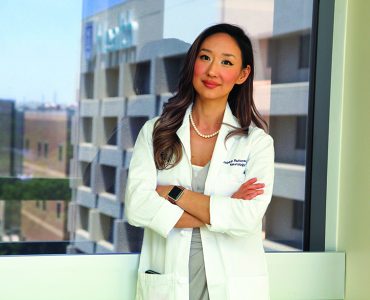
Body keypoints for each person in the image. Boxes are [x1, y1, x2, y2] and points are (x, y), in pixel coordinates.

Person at [125, 23, 274, 300]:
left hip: (232, 287)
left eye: (226, 62)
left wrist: (173, 193)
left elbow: (247, 218)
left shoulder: (256, 143)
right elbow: (136, 207)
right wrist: (221, 209)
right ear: (193, 62)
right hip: (170, 284)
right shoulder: (155, 132)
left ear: (242, 75)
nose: (212, 71)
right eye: (205, 57)